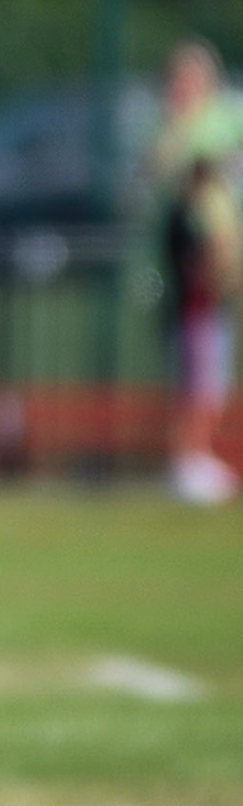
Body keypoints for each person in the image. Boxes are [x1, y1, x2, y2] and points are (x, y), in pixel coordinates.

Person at [151, 39, 243, 505]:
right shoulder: (179, 133)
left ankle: (196, 457)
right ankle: (189, 459)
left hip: (211, 259)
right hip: (192, 266)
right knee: (199, 367)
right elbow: (174, 171)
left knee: (209, 368)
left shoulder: (220, 122)